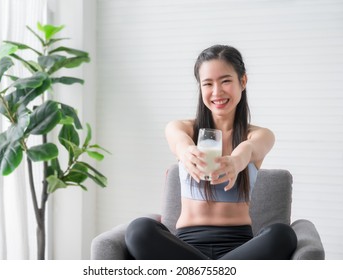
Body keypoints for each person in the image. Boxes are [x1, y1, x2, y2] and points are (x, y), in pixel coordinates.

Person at [125, 44, 297, 260]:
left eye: (225, 81)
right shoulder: (183, 128)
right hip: (185, 246)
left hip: (239, 248)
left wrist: (236, 161)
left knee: (283, 235)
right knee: (139, 230)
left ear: (242, 81)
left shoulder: (260, 135)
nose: (217, 92)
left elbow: (250, 148)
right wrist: (186, 150)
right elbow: (177, 140)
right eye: (208, 84)